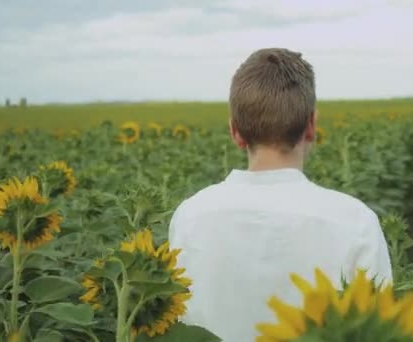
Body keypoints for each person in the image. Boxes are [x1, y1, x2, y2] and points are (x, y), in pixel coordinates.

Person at [168, 48, 392, 341]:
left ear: (235, 131)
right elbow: (379, 329)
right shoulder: (355, 222)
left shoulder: (190, 216)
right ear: (311, 126)